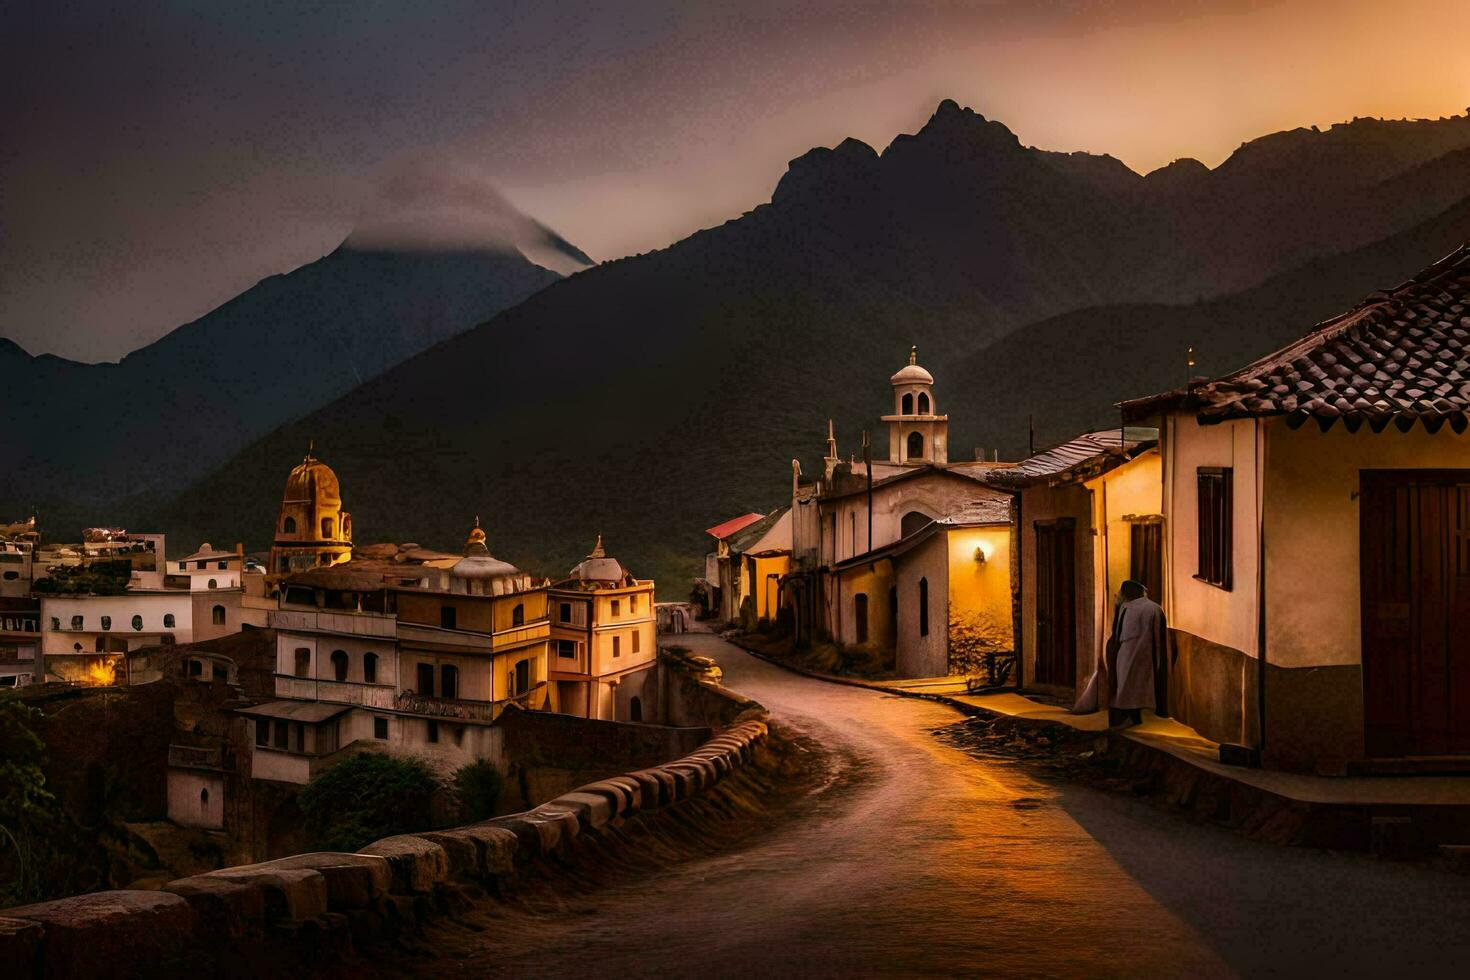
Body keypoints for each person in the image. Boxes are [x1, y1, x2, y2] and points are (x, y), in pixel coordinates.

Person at [1108, 579, 1168, 728]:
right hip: (1146, 655)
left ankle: (1125, 720)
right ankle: (1134, 718)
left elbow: (1117, 633)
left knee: (1126, 687)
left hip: (1127, 653)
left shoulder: (1125, 607)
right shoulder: (1154, 608)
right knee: (1137, 687)